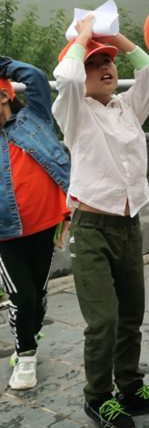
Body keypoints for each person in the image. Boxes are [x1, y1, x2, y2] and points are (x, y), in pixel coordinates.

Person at [52, 18, 149, 428]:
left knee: (131, 314)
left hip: (128, 224)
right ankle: (98, 397)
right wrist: (83, 36)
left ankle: (130, 387)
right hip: (91, 228)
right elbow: (64, 80)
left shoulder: (126, 107)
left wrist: (113, 34)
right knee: (103, 320)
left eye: (109, 62)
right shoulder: (74, 111)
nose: (105, 68)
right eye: (94, 63)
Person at [0, 57, 70, 390]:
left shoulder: (34, 118)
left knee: (39, 296)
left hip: (44, 227)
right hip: (5, 235)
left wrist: (2, 65)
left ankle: (30, 336)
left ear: (4, 96)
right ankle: (25, 354)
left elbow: (36, 78)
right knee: (22, 296)